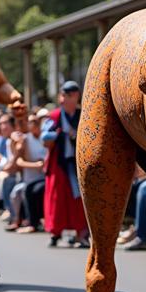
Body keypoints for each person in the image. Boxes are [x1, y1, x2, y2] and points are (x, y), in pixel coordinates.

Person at [43, 82, 88, 247]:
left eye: (68, 96)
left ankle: (81, 233)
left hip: (78, 164)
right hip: (59, 163)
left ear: (76, 97)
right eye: (62, 95)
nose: (63, 99)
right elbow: (45, 140)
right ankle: (55, 232)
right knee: (56, 197)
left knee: (79, 198)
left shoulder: (84, 116)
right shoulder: (54, 116)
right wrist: (57, 135)